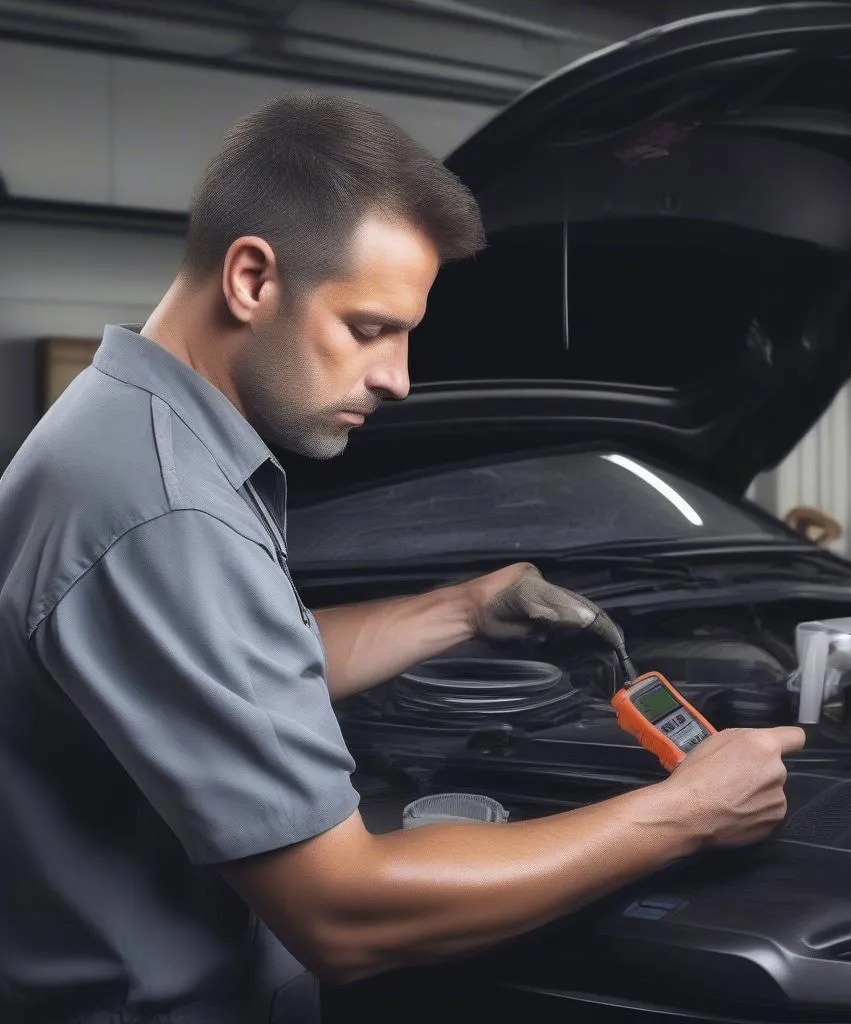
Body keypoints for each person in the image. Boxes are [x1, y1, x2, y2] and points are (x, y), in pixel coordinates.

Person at [0, 92, 805, 1024]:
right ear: (253, 280)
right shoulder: (163, 505)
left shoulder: (124, 432)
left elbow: (248, 669)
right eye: (371, 328)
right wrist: (688, 812)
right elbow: (346, 913)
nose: (399, 378)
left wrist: (464, 609)